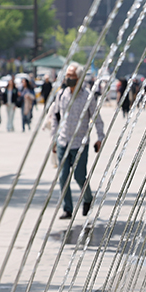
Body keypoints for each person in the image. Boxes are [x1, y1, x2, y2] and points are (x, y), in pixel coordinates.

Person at [49, 64, 105, 220]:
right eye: (67, 76)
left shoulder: (88, 97)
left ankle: (87, 198)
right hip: (63, 141)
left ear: (79, 79)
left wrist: (100, 138)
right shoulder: (61, 95)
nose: (68, 79)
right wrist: (54, 138)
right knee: (63, 177)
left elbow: (97, 119)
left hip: (80, 143)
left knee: (80, 176)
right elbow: (55, 117)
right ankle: (67, 209)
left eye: (72, 76)